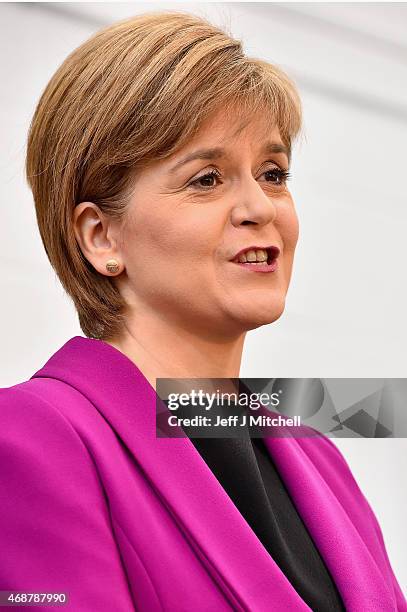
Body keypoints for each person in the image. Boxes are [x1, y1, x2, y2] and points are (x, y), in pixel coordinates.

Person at [0, 11, 405, 611]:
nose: (258, 208)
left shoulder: (319, 453)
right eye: (207, 178)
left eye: (273, 174)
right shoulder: (31, 437)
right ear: (101, 237)